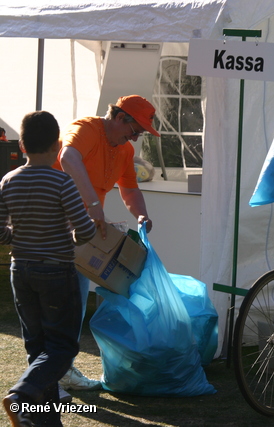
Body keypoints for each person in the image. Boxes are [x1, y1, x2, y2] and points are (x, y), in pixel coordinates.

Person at [53, 94, 157, 394]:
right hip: (56, 228)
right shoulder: (87, 128)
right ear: (120, 118)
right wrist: (91, 203)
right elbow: (68, 158)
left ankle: (61, 370)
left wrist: (142, 215)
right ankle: (51, 374)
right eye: (135, 130)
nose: (136, 138)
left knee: (74, 302)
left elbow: (129, 189)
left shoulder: (124, 149)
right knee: (59, 303)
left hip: (82, 232)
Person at [1, 111, 96, 427]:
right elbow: (84, 231)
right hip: (56, 271)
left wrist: (23, 233)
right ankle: (21, 395)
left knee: (37, 346)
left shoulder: (8, 181)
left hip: (21, 271)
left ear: (23, 144)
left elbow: (1, 232)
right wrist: (69, 233)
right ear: (58, 144)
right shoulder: (61, 181)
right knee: (62, 347)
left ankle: (41, 421)